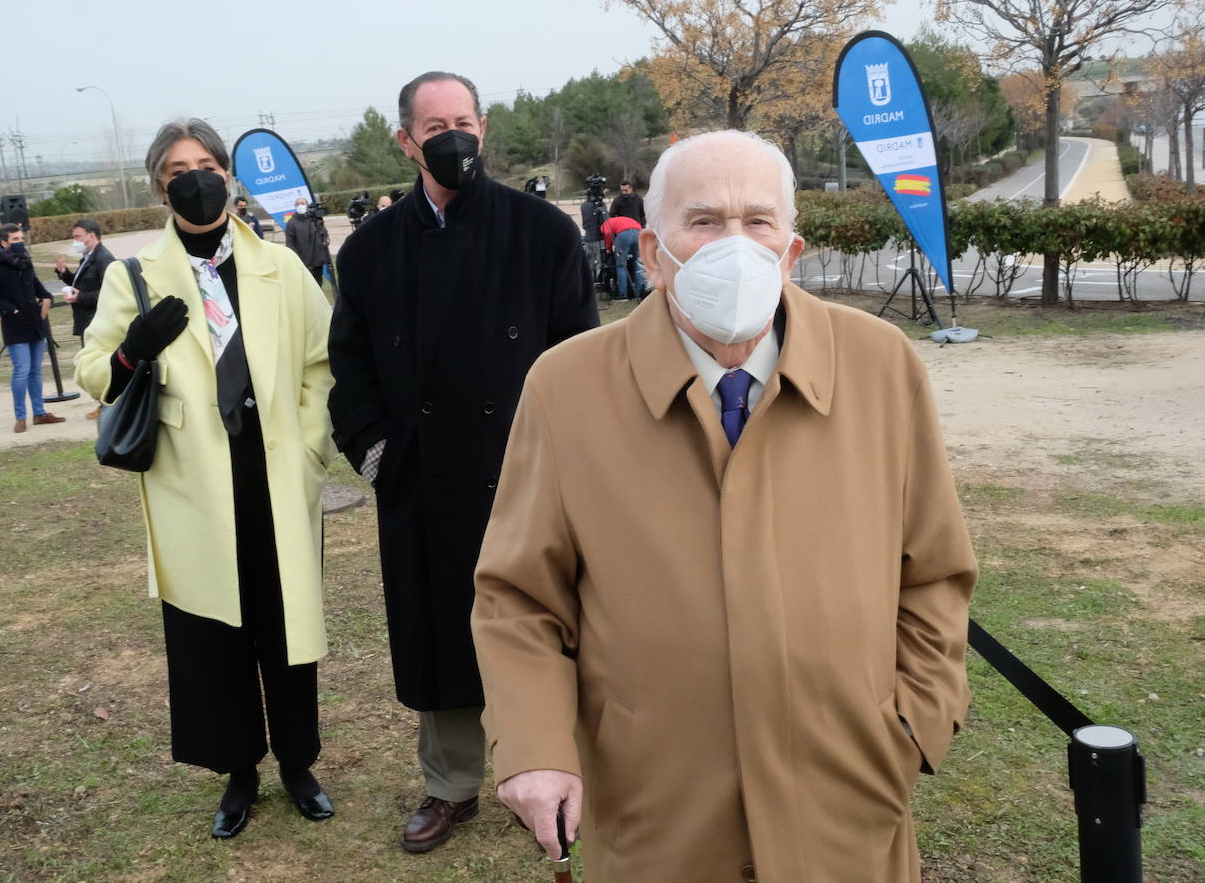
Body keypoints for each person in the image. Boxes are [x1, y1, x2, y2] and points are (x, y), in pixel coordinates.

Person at [472, 130, 977, 882]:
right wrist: (536, 746)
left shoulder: (881, 366)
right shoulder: (566, 386)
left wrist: (910, 725)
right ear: (650, 251)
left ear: (791, 250)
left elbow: (933, 571)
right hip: (655, 809)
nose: (731, 245)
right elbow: (518, 598)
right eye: (703, 221)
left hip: (849, 800)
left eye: (758, 221)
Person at [327, 70, 597, 855]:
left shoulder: (540, 231)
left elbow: (580, 356)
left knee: (552, 622)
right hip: (423, 480)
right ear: (407, 141)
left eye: (465, 121)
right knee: (440, 632)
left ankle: (558, 768)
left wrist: (574, 463)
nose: (453, 136)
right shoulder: (372, 249)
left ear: (484, 130)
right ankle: (450, 785)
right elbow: (350, 369)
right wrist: (379, 456)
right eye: (434, 124)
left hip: (529, 475)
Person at [74, 118, 335, 841]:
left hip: (276, 477)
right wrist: (131, 351)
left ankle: (296, 762)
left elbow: (322, 360)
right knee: (212, 634)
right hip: (193, 486)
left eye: (206, 163)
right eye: (177, 168)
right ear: (160, 184)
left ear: (226, 173)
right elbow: (92, 372)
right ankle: (238, 771)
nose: (195, 177)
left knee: (283, 628)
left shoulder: (280, 268)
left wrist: (312, 446)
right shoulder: (134, 274)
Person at [0, 225, 65, 433]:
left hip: (35, 322)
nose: (20, 242)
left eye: (21, 238)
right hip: (14, 325)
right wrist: (10, 310)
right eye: (15, 239)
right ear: (4, 242)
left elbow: (35, 283)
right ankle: (20, 417)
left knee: (35, 371)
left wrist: (47, 297)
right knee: (21, 371)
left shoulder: (25, 260)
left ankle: (40, 413)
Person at [55, 219, 116, 420]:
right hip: (87, 320)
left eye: (77, 237)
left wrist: (80, 297)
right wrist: (64, 274)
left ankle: (107, 405)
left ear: (91, 235)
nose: (75, 242)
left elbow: (109, 291)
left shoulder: (103, 258)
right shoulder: (87, 257)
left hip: (97, 320)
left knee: (97, 364)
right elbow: (81, 283)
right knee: (92, 363)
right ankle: (104, 404)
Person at [285, 196, 331, 288]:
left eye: (302, 203)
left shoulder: (315, 219)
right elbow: (290, 243)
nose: (300, 205)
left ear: (307, 205)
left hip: (318, 260)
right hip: (303, 261)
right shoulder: (292, 222)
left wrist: (326, 238)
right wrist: (297, 259)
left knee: (318, 285)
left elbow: (324, 232)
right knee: (307, 287)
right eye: (298, 204)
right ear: (294, 206)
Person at [599, 213, 647, 301]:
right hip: (638, 232)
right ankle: (639, 292)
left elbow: (607, 233)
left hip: (624, 235)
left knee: (621, 265)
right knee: (637, 264)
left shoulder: (605, 224)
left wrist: (608, 248)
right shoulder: (621, 219)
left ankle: (623, 294)